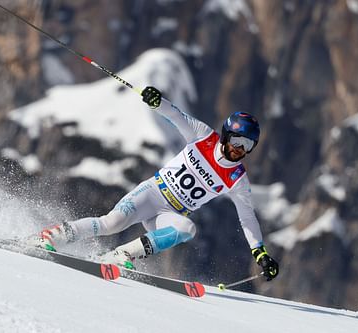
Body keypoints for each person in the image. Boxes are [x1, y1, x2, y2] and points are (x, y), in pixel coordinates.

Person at [27, 86, 279, 280]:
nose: (239, 150)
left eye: (247, 146)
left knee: (187, 230)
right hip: (152, 193)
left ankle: (121, 255)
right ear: (226, 134)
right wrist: (158, 101)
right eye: (237, 141)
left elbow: (247, 217)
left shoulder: (237, 179)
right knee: (111, 223)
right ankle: (52, 235)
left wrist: (260, 253)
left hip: (170, 213)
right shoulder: (204, 137)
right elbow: (176, 116)